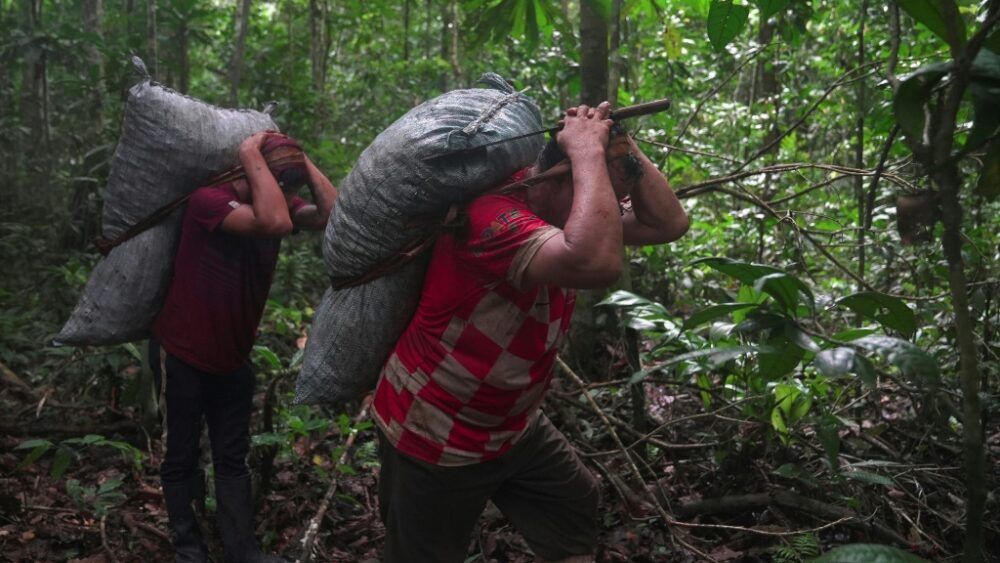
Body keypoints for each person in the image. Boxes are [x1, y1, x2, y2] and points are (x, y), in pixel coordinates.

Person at [371, 101, 689, 563]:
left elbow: (670, 223)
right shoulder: (491, 216)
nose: (613, 208)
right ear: (561, 177)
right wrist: (584, 150)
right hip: (437, 428)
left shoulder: (569, 209)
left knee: (571, 505)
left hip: (510, 425)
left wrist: (616, 139)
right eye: (601, 191)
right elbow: (597, 261)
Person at [150, 132, 336, 563]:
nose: (287, 196)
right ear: (248, 171)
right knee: (181, 456)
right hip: (183, 353)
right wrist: (251, 150)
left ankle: (241, 552)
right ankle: (189, 550)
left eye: (289, 189)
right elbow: (272, 223)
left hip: (231, 358)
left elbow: (331, 213)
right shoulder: (207, 200)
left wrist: (302, 160)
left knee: (232, 459)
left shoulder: (277, 203)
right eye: (281, 185)